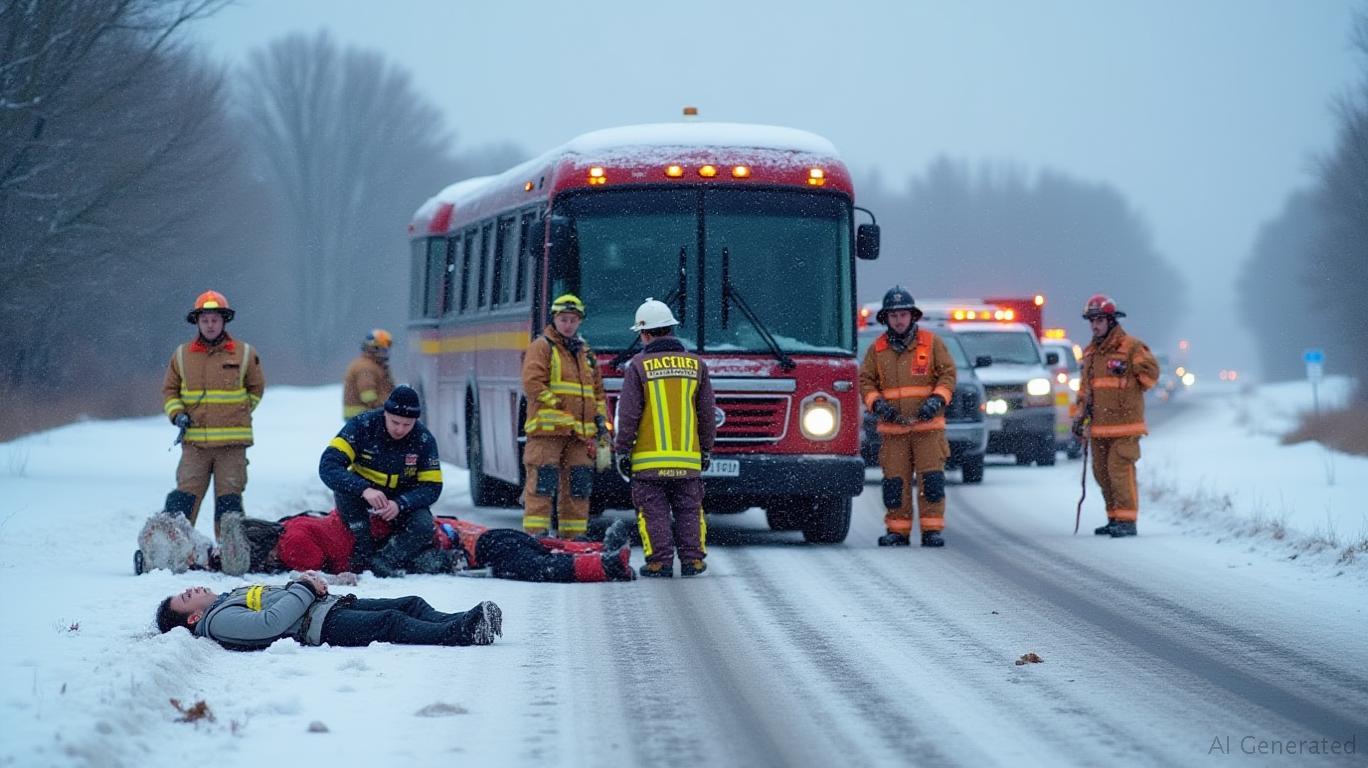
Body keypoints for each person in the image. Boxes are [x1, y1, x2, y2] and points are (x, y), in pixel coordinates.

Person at [211, 509, 635, 582]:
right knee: (521, 548)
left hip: (450, 539)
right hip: (448, 533)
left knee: (522, 558)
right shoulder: (294, 527)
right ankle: (600, 555)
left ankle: (602, 561)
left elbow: (317, 573)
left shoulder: (292, 545)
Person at [613, 298, 716, 577]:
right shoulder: (697, 365)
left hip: (649, 461)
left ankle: (659, 562)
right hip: (687, 460)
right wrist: (706, 448)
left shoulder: (638, 366)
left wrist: (622, 450)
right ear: (671, 329)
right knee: (689, 510)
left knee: (653, 511)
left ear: (645, 334)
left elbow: (629, 414)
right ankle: (693, 561)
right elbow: (707, 414)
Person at [160, 290, 266, 540]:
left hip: (232, 446)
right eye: (205, 320)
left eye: (214, 319)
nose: (210, 325)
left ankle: (230, 550)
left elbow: (256, 389)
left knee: (229, 500)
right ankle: (174, 545)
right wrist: (177, 414)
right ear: (197, 322)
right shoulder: (182, 355)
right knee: (184, 496)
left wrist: (238, 412)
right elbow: (169, 391)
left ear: (224, 321)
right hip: (194, 444)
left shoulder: (245, 353)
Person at [154, 575, 502, 649]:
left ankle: (462, 620)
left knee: (409, 603)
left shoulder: (226, 598)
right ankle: (462, 633)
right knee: (391, 622)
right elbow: (269, 625)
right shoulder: (218, 621)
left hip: (327, 606)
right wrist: (304, 588)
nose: (189, 589)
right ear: (193, 619)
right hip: (321, 625)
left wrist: (304, 585)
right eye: (184, 598)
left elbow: (274, 600)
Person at [858, 286, 957, 548]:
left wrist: (936, 400)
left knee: (932, 481)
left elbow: (948, 375)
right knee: (894, 484)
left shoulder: (932, 343)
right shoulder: (876, 350)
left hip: (928, 428)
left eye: (903, 315)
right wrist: (878, 405)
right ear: (886, 319)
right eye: (894, 316)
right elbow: (865, 382)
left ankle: (931, 530)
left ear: (912, 316)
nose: (899, 320)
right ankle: (897, 531)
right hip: (893, 432)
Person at [319, 385, 442, 576]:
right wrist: (363, 489)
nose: (400, 429)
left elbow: (432, 487)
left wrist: (401, 504)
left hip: (401, 497)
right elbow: (328, 466)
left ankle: (384, 561)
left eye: (407, 424)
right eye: (395, 422)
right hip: (361, 495)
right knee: (346, 497)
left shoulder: (424, 439)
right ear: (385, 412)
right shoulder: (362, 426)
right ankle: (362, 554)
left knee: (424, 526)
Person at [519, 293, 609, 539]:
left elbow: (598, 394)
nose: (568, 324)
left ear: (579, 321)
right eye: (563, 319)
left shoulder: (586, 354)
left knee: (579, 489)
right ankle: (536, 538)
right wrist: (559, 407)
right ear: (554, 320)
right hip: (547, 434)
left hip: (580, 436)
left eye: (573, 320)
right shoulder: (542, 347)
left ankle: (574, 540)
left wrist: (602, 424)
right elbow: (532, 383)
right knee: (541, 487)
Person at [1071, 294, 1159, 538]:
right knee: (1102, 474)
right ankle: (1114, 518)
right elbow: (1085, 391)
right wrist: (1079, 418)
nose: (1094, 325)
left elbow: (1150, 378)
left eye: (1099, 320)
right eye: (1091, 321)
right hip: (1099, 428)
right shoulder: (1091, 354)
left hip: (1125, 427)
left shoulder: (1132, 347)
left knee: (1119, 472)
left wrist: (1134, 371)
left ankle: (1127, 521)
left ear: (1111, 321)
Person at [342, 329, 395, 420]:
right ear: (372, 349)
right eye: (383, 350)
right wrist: (389, 407)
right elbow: (368, 397)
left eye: (386, 350)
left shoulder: (374, 365)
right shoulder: (365, 368)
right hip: (363, 417)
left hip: (365, 416)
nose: (386, 353)